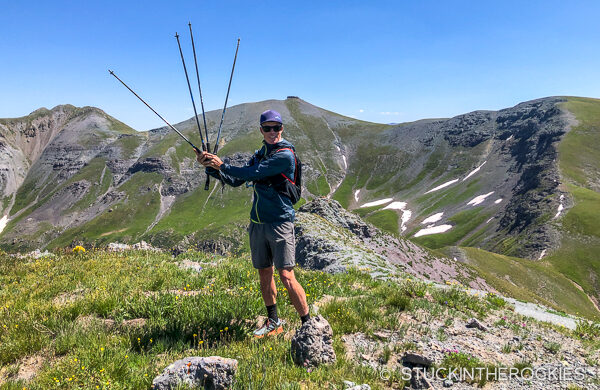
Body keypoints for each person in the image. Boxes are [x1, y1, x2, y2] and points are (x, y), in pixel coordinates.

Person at [195, 109, 310, 338]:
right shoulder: (260, 153)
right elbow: (238, 180)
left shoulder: (284, 155)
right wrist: (211, 167)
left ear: (281, 129)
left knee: (286, 275)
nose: (271, 132)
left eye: (275, 127)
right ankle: (273, 322)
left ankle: (308, 324)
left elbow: (254, 172)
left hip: (280, 222)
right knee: (264, 274)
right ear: (261, 130)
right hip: (257, 222)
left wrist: (222, 165)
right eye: (267, 128)